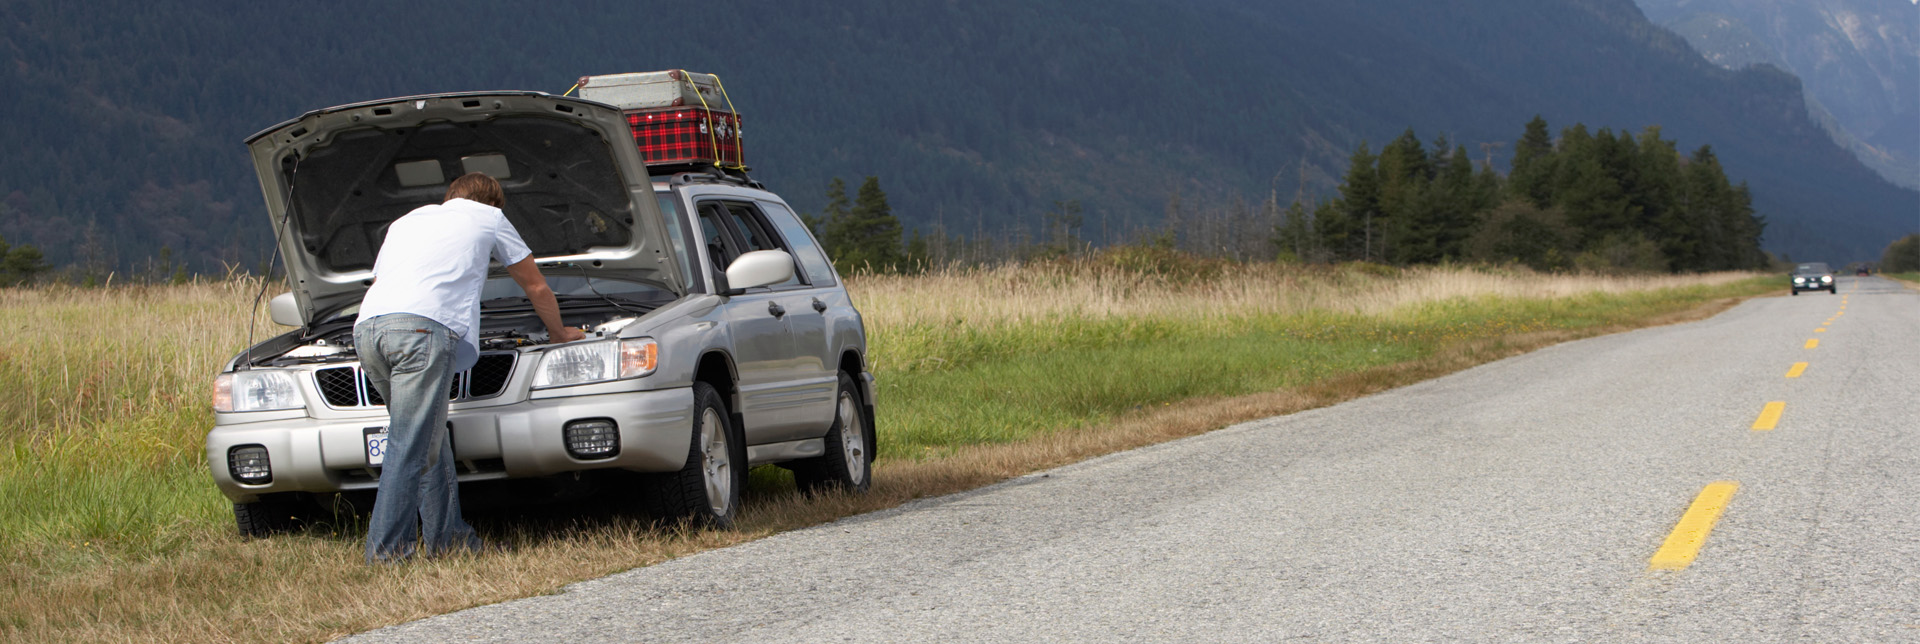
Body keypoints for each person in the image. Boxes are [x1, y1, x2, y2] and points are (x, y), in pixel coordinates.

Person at [353, 172, 586, 563]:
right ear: (492, 202)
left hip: (369, 330)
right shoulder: (488, 216)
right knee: (409, 445)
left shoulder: (406, 221)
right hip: (421, 331)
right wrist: (559, 333)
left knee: (428, 438)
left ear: (450, 196)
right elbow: (536, 286)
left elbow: (384, 280)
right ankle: (386, 553)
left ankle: (450, 540)